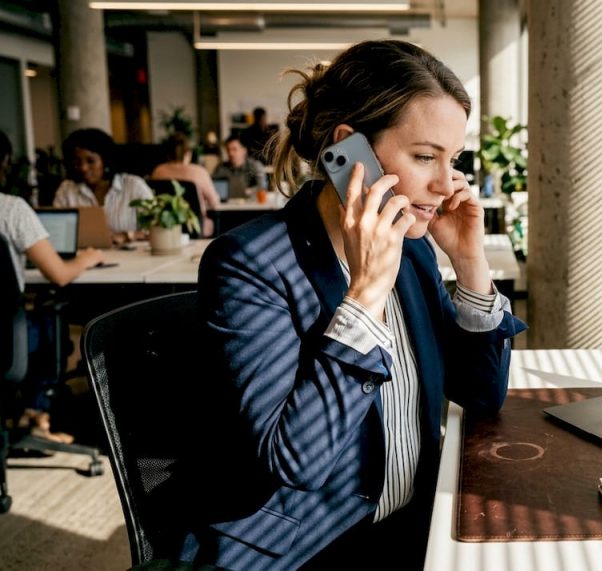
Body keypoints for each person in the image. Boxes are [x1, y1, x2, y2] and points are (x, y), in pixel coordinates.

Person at [179, 40, 526, 569]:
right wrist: (364, 296)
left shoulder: (412, 250)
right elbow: (294, 461)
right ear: (350, 153)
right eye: (424, 156)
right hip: (305, 551)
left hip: (412, 525)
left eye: (452, 160)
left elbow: (480, 395)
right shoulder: (249, 262)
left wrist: (470, 264)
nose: (445, 182)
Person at [0, 129, 104, 443]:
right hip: (3, 339)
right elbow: (59, 274)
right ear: (3, 164)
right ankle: (36, 415)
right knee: (49, 324)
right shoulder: (11, 209)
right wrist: (87, 258)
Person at [53, 128, 154, 245]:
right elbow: (58, 231)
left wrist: (127, 235)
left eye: (90, 161)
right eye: (77, 162)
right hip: (85, 258)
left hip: (131, 257)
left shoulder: (133, 186)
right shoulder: (66, 190)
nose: (83, 168)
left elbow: (157, 227)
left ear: (105, 160)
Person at [151, 133, 221, 237]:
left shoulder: (158, 171)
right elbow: (214, 203)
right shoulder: (199, 172)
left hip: (165, 227)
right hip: (194, 227)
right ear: (188, 153)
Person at [211, 134, 266, 199]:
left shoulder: (255, 166)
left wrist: (248, 191)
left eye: (234, 149)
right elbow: (212, 187)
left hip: (250, 204)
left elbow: (263, 187)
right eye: (228, 150)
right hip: (228, 206)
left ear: (244, 150)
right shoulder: (221, 168)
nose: (231, 153)